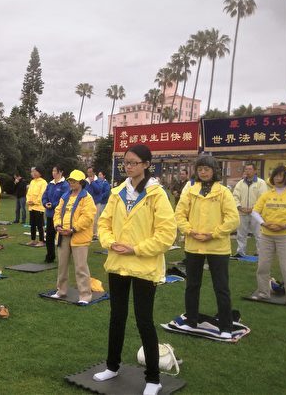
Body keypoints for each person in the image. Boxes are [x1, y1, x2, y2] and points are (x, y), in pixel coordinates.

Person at [94, 144, 176, 395]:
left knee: (144, 320)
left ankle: (153, 379)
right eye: (126, 163)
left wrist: (136, 249)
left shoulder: (156, 194)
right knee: (116, 317)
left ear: (146, 165)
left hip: (144, 266)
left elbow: (166, 234)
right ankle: (112, 366)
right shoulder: (118, 191)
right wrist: (110, 242)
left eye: (133, 162)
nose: (128, 167)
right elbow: (104, 223)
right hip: (118, 264)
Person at [175, 155, 240, 339]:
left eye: (207, 169)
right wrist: (190, 231)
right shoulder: (190, 191)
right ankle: (191, 321)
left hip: (217, 247)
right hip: (194, 246)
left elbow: (233, 219)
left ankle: (226, 327)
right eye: (200, 169)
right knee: (192, 285)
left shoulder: (223, 192)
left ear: (214, 171)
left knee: (221, 287)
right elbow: (179, 214)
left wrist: (214, 233)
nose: (203, 172)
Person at [51, 169, 96, 304]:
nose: (71, 183)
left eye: (74, 181)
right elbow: (57, 212)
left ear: (81, 182)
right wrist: (57, 225)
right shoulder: (65, 196)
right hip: (63, 235)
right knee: (62, 265)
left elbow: (87, 217)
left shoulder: (87, 198)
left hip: (79, 236)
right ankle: (61, 291)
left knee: (81, 267)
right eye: (70, 180)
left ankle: (85, 296)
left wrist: (73, 229)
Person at [251, 165, 286, 304]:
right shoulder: (267, 194)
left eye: (281, 176)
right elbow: (255, 211)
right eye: (276, 175)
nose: (278, 178)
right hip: (266, 236)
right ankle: (263, 293)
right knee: (263, 265)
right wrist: (263, 223)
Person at [232, 163, 268, 257]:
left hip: (256, 214)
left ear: (255, 171)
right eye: (246, 170)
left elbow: (263, 197)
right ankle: (240, 252)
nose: (248, 171)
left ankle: (260, 253)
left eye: (250, 169)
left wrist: (253, 209)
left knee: (259, 234)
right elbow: (235, 196)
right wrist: (239, 207)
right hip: (242, 212)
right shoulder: (240, 183)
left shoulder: (261, 183)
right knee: (241, 234)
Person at [41, 165, 69, 263]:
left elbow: (64, 199)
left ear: (60, 172)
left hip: (61, 215)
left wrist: (53, 205)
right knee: (49, 236)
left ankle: (64, 257)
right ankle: (50, 256)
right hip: (49, 215)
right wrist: (45, 203)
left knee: (62, 237)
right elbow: (44, 196)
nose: (53, 173)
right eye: (52, 171)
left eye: (55, 171)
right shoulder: (50, 184)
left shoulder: (65, 185)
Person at [26, 167, 47, 246]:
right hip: (31, 207)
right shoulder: (32, 182)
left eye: (35, 172)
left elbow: (42, 194)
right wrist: (28, 201)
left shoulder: (43, 182)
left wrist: (34, 202)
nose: (33, 173)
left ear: (40, 173)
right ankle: (33, 240)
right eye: (33, 172)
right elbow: (29, 193)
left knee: (40, 225)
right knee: (32, 225)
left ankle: (41, 241)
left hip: (39, 207)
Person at [94, 171, 111, 240]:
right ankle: (96, 233)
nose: (99, 176)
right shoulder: (97, 183)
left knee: (101, 218)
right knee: (97, 218)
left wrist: (100, 197)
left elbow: (106, 193)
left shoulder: (106, 184)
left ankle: (99, 233)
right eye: (98, 175)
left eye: (100, 175)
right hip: (98, 202)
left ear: (104, 176)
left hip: (103, 203)